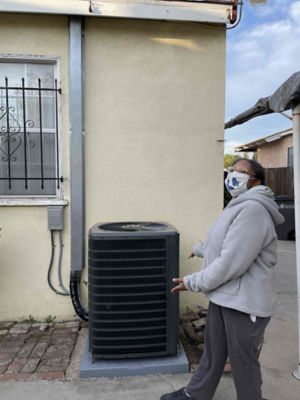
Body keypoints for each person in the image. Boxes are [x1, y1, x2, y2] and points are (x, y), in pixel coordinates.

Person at [160, 158, 284, 400]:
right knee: (214, 353)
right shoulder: (238, 204)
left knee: (243, 362)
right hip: (225, 296)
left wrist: (193, 281)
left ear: (255, 180)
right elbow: (228, 245)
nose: (233, 176)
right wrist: (202, 249)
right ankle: (195, 394)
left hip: (244, 301)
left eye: (241, 172)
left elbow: (231, 263)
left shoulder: (254, 210)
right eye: (232, 170)